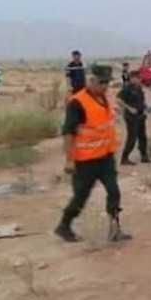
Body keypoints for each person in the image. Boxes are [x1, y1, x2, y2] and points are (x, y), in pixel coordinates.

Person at [54, 64, 131, 243]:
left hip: (105, 157)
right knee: (81, 196)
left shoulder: (105, 98)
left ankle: (115, 229)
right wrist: (69, 160)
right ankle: (64, 226)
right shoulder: (77, 102)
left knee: (114, 191)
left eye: (107, 82)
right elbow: (68, 133)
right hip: (85, 160)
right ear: (92, 80)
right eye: (101, 82)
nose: (105, 86)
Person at [117, 74, 149, 165]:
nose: (139, 80)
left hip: (140, 115)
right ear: (132, 78)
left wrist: (144, 108)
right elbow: (118, 100)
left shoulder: (139, 88)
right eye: (137, 78)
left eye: (140, 78)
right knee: (132, 137)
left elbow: (141, 100)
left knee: (142, 137)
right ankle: (124, 158)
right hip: (131, 117)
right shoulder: (127, 89)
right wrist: (129, 108)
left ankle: (144, 156)